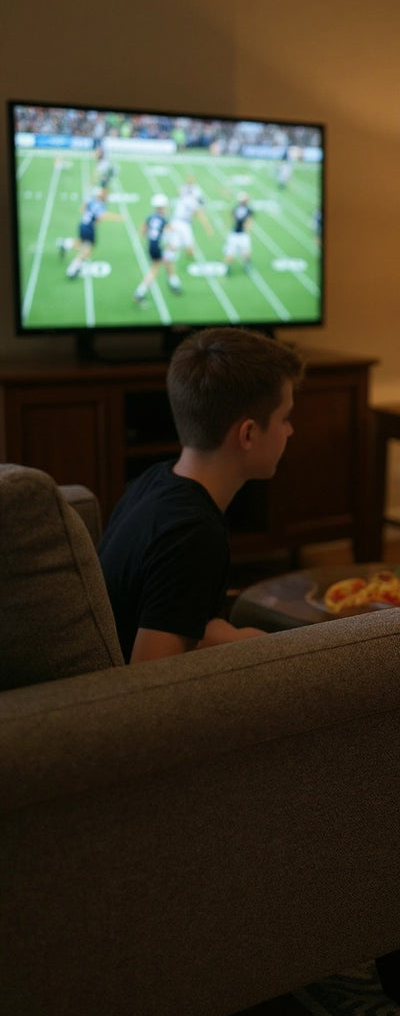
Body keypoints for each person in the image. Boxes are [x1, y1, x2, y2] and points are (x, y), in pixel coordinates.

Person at [98, 327, 305, 663]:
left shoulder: (154, 481)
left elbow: (159, 607)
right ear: (248, 434)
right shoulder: (192, 534)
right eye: (285, 418)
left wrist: (222, 635)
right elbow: (150, 676)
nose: (290, 430)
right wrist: (248, 644)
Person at [62, 189, 122, 278]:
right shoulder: (101, 205)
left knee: (82, 242)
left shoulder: (91, 201)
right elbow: (100, 217)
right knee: (88, 249)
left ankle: (66, 243)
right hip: (89, 228)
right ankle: (72, 269)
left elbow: (82, 209)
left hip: (83, 224)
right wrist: (117, 217)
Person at [134, 193, 182, 302]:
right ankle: (140, 291)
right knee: (155, 270)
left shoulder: (150, 217)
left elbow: (142, 231)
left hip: (152, 244)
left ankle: (174, 283)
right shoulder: (163, 219)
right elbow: (169, 233)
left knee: (168, 262)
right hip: (158, 246)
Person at [223, 192, 254, 274]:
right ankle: (246, 265)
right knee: (243, 252)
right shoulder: (248, 210)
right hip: (241, 234)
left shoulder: (237, 208)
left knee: (233, 252)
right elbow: (248, 222)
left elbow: (231, 216)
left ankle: (228, 268)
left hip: (235, 234)